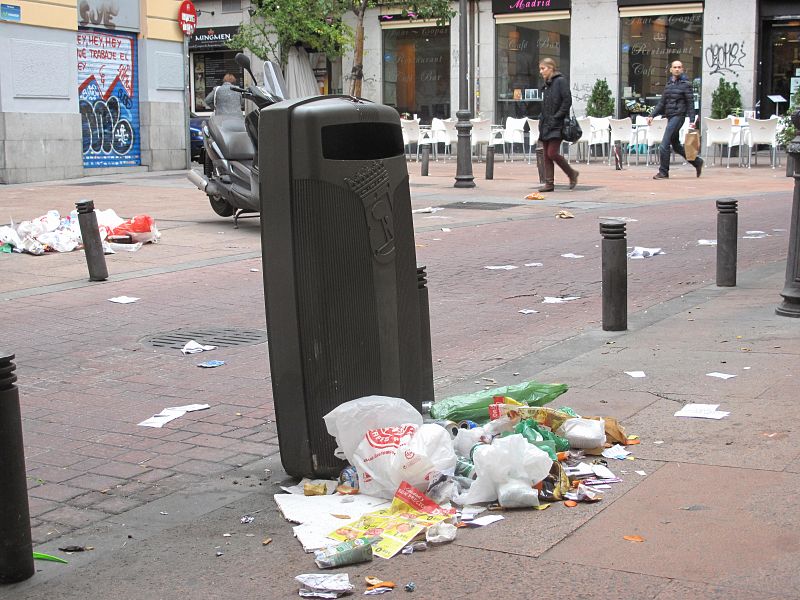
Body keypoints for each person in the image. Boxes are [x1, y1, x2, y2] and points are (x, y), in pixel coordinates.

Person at [648, 61, 703, 179]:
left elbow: (690, 103)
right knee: (676, 146)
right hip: (670, 116)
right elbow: (662, 103)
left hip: (679, 117)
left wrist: (692, 121)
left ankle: (663, 172)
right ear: (671, 70)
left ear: (682, 69)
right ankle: (697, 162)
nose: (677, 69)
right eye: (675, 67)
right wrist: (652, 115)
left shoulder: (686, 84)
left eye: (679, 67)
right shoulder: (668, 85)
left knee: (664, 144)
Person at [536, 58, 579, 192]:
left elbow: (567, 101)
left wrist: (557, 116)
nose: (541, 71)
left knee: (552, 153)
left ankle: (572, 173)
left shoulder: (560, 81)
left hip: (557, 123)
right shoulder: (547, 84)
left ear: (551, 68)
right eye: (540, 69)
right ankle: (549, 183)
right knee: (546, 154)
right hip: (546, 123)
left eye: (543, 68)